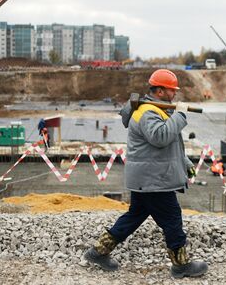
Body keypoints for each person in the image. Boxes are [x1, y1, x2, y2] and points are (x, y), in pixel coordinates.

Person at [84, 69, 208, 278]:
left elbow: (167, 145)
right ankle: (181, 265)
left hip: (147, 177)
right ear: (159, 91)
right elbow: (159, 137)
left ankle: (98, 252)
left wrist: (184, 161)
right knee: (172, 218)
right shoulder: (147, 112)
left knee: (134, 216)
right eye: (171, 90)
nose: (174, 94)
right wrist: (180, 114)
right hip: (154, 179)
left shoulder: (154, 110)